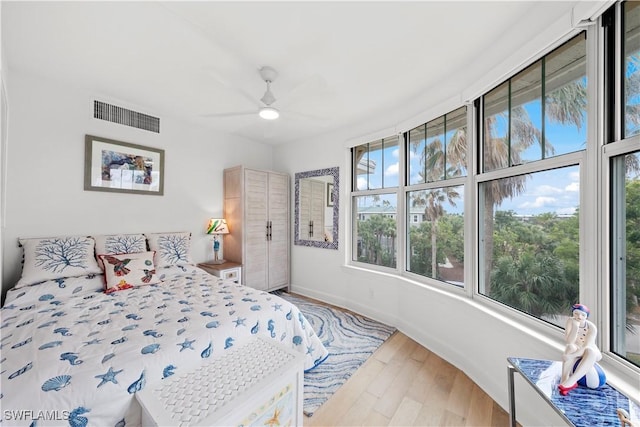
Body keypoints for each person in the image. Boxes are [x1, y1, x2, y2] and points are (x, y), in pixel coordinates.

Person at [558, 303, 602, 395]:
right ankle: (564, 379)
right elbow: (569, 341)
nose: (579, 317)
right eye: (576, 314)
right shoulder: (571, 321)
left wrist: (571, 356)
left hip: (590, 349)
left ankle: (572, 381)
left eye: (583, 315)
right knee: (570, 347)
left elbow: (587, 345)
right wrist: (575, 327)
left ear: (586, 316)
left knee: (590, 352)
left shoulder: (591, 327)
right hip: (577, 347)